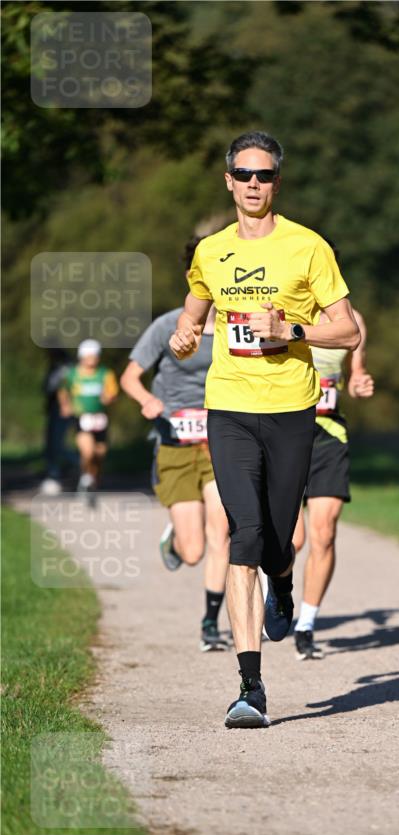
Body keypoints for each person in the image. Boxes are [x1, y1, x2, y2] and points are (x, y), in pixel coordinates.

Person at [169, 131, 359, 728]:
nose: (255, 184)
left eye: (266, 175)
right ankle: (250, 686)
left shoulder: (308, 247)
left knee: (281, 538)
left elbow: (348, 330)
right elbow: (194, 312)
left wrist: (291, 334)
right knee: (242, 534)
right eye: (245, 175)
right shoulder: (210, 251)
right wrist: (182, 335)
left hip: (292, 409)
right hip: (227, 407)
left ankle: (284, 586)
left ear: (279, 181)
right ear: (228, 180)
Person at [120, 237, 231, 652]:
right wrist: (147, 399)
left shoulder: (234, 327)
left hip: (218, 442)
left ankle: (209, 622)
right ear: (192, 278)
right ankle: (176, 537)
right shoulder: (168, 325)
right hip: (174, 444)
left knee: (222, 532)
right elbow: (130, 376)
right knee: (194, 550)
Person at [292, 249, 374, 660]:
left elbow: (356, 370)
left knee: (323, 532)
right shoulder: (287, 311)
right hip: (286, 432)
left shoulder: (352, 320)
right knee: (293, 538)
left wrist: (359, 382)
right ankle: (279, 594)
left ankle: (306, 624)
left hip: (329, 434)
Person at [58, 339, 118, 502]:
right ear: (82, 357)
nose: (92, 359)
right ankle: (85, 477)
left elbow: (112, 393)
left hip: (100, 418)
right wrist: (65, 406)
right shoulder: (73, 374)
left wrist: (108, 398)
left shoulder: (105, 373)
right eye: (89, 356)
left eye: (95, 356)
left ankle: (91, 481)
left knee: (99, 454)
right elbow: (63, 391)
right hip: (81, 418)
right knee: (88, 451)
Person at [40, 347, 72, 495]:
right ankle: (54, 472)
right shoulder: (54, 367)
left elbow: (57, 389)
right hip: (54, 411)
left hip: (64, 412)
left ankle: (75, 467)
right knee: (52, 443)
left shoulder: (66, 368)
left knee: (58, 444)